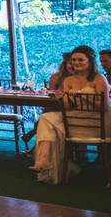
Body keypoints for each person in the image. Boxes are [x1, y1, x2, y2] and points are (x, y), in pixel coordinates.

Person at [31, 46, 111, 184]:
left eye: (81, 60)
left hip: (98, 121)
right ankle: (43, 160)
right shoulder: (68, 81)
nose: (76, 63)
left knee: (48, 120)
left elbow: (104, 106)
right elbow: (67, 108)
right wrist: (62, 97)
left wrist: (81, 96)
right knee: (45, 118)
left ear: (90, 62)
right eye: (74, 60)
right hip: (74, 120)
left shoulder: (99, 78)